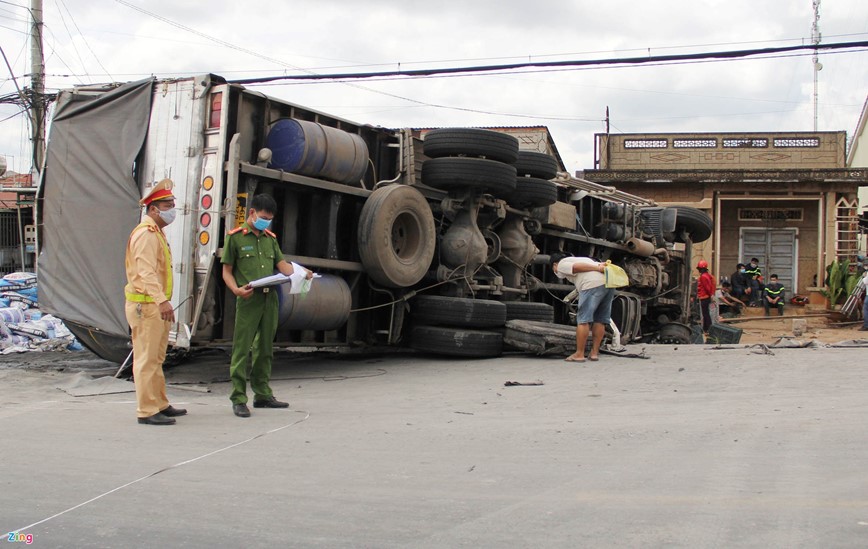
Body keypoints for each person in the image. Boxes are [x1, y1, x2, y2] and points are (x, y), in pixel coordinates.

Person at [222, 193, 313, 418]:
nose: (266, 222)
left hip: (269, 298)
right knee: (242, 349)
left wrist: (303, 273)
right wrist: (236, 290)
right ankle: (238, 398)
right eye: (263, 217)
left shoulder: (270, 238)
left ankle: (262, 394)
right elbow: (226, 272)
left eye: (269, 219)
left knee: (265, 348)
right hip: (248, 298)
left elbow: (282, 265)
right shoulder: (235, 238)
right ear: (251, 213)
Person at [124, 178, 187, 426]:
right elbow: (146, 272)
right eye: (167, 204)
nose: (172, 208)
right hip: (147, 305)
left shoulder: (156, 232)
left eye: (172, 203)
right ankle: (146, 410)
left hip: (154, 306)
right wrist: (162, 301)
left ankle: (159, 402)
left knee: (157, 357)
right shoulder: (146, 234)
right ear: (153, 209)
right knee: (146, 358)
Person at [550, 252, 615, 363]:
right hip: (609, 283)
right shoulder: (584, 258)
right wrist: (598, 267)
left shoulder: (562, 263)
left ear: (554, 264)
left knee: (583, 320)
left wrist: (597, 268)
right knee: (600, 320)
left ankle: (579, 354)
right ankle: (594, 353)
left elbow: (576, 267)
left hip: (591, 285)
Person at [696, 260, 715, 333]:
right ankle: (706, 328)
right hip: (706, 297)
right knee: (706, 313)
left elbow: (707, 287)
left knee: (705, 314)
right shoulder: (708, 276)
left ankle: (708, 328)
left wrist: (710, 295)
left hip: (704, 297)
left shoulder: (703, 277)